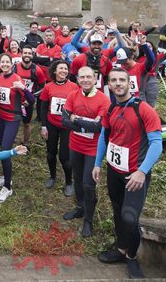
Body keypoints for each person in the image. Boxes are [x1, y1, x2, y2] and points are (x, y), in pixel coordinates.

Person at [93, 68, 162, 279]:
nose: (118, 83)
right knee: (117, 210)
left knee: (130, 218)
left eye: (122, 80)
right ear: (109, 85)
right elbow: (105, 136)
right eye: (113, 80)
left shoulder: (144, 109)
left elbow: (156, 144)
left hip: (134, 175)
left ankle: (132, 256)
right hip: (114, 172)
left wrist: (142, 172)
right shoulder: (111, 108)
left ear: (129, 83)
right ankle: (121, 248)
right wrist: (97, 164)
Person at [60, 66, 110, 237]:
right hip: (75, 145)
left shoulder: (104, 100)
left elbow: (99, 126)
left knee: (89, 185)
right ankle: (80, 207)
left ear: (95, 78)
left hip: (93, 148)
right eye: (82, 77)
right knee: (77, 179)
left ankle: (88, 220)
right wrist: (80, 122)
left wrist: (76, 119)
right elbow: (64, 120)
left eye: (89, 77)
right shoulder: (73, 95)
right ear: (78, 79)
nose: (86, 80)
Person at [0, 53, 35, 202]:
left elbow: (31, 100)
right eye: (2, 62)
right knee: (3, 148)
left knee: (5, 149)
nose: (4, 64)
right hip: (0, 116)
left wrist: (23, 88)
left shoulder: (17, 78)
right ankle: (5, 176)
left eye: (7, 62)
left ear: (11, 64)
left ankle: (8, 187)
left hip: (12, 118)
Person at [40, 60, 78, 196]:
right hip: (52, 124)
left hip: (67, 126)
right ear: (54, 71)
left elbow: (77, 106)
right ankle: (52, 176)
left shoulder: (74, 87)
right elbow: (43, 108)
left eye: (66, 69)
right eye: (61, 68)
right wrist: (43, 126)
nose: (64, 71)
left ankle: (69, 182)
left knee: (64, 157)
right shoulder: (48, 87)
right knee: (50, 154)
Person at [12, 46, 46, 147]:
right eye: (25, 53)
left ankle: (26, 142)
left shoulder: (37, 70)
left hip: (28, 100)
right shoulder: (15, 67)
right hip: (15, 99)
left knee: (26, 123)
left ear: (32, 55)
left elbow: (42, 87)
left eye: (29, 53)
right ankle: (12, 138)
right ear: (21, 54)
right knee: (13, 121)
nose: (27, 55)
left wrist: (32, 98)